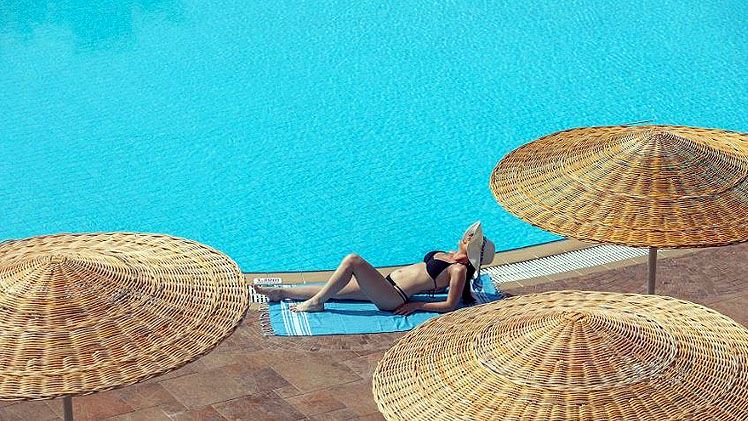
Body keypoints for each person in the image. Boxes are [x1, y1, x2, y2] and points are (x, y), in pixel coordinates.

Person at [252, 221, 496, 315]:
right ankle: (280, 292)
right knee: (332, 289)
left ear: (471, 251)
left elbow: (450, 305)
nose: (467, 236)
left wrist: (417, 305)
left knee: (353, 260)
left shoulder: (459, 270)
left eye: (472, 239)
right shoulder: (450, 255)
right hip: (386, 284)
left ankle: (315, 304)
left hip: (393, 297)